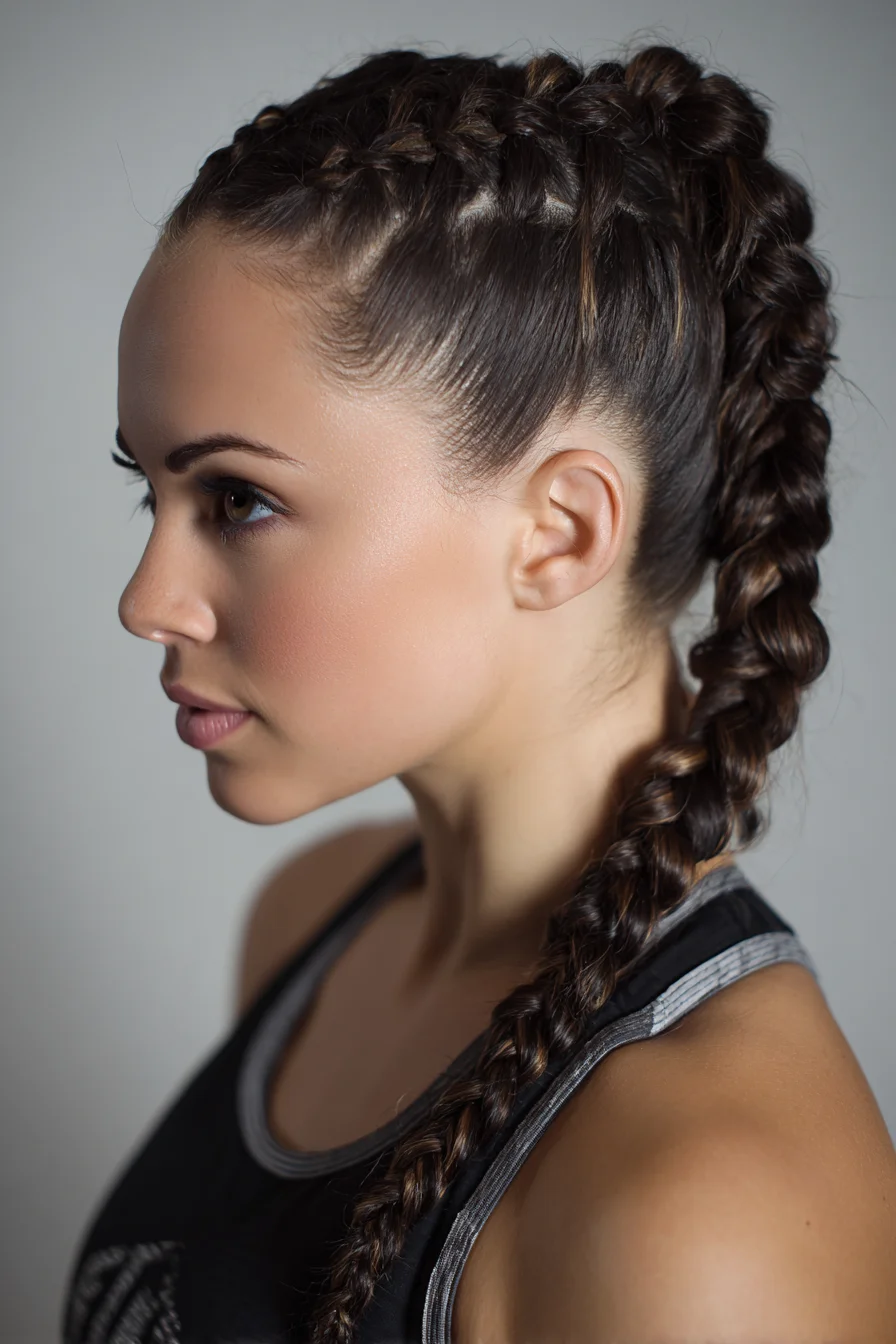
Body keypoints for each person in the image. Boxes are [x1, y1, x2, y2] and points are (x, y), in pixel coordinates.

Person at [62, 38, 896, 1344]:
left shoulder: (709, 1205)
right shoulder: (312, 921)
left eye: (239, 500)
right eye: (150, 492)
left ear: (559, 532)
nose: (146, 599)